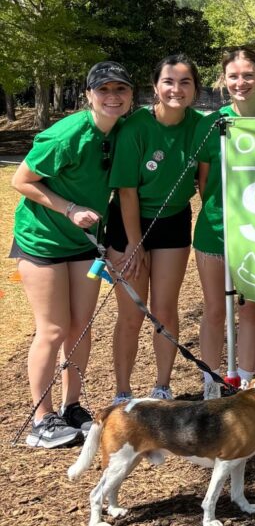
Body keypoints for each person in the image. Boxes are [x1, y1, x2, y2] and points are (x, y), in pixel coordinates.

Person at [12, 62, 133, 447]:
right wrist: (68, 209)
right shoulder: (66, 135)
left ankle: (72, 406)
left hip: (84, 243)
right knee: (53, 328)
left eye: (121, 90)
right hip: (43, 241)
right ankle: (41, 419)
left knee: (81, 326)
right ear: (88, 95)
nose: (112, 97)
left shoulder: (121, 132)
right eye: (104, 90)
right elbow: (21, 180)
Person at [106, 55, 203, 403]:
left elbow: (206, 182)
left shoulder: (201, 126)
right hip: (129, 222)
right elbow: (126, 190)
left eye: (185, 82)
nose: (176, 89)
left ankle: (162, 387)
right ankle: (122, 392)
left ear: (195, 88)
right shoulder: (136, 128)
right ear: (156, 87)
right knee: (131, 312)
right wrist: (135, 243)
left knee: (165, 309)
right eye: (169, 82)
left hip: (174, 222)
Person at [193, 47, 255, 399]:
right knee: (215, 309)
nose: (240, 83)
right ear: (223, 79)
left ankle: (244, 379)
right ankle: (211, 382)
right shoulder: (209, 123)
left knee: (250, 310)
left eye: (247, 75)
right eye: (233, 76)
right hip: (215, 231)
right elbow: (204, 182)